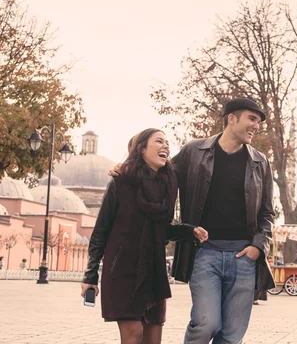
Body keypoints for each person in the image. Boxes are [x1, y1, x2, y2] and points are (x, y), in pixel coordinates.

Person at [81, 128, 208, 344]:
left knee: (152, 340)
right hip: (123, 270)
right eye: (159, 141)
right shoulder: (120, 182)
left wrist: (188, 230)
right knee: (133, 336)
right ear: (141, 149)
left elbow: (161, 230)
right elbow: (100, 231)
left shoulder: (169, 186)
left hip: (154, 272)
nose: (166, 146)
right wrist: (90, 275)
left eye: (167, 142)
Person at [171, 98, 275, 343]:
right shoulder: (194, 151)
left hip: (244, 258)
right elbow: (162, 174)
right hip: (204, 254)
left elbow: (268, 214)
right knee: (206, 323)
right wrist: (129, 168)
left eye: (258, 122)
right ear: (231, 118)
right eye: (251, 119)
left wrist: (257, 247)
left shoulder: (260, 162)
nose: (256, 126)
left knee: (231, 335)